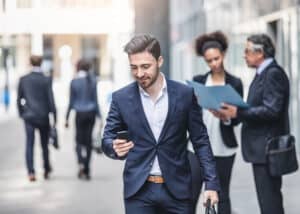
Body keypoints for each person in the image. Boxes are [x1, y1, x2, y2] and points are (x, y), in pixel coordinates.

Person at [102, 34, 220, 214]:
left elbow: (201, 141)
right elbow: (107, 138)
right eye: (134, 67)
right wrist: (113, 147)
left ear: (160, 61)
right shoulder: (121, 98)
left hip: (177, 191)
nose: (139, 74)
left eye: (145, 66)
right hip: (138, 192)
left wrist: (211, 184)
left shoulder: (185, 94)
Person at [218, 34, 290, 214]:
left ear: (260, 53)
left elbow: (272, 110)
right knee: (267, 200)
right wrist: (232, 113)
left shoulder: (273, 74)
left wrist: (239, 112)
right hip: (261, 149)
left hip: (267, 149)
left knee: (270, 201)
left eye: (247, 50)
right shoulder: (263, 73)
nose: (244, 55)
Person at [192, 31, 243, 214]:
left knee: (222, 196)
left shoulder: (235, 83)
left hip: (224, 147)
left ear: (223, 55)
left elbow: (238, 118)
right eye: (209, 60)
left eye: (216, 58)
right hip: (197, 147)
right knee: (190, 194)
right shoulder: (198, 81)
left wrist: (227, 117)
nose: (214, 63)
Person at [17, 55, 56, 182]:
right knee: (44, 145)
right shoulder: (46, 79)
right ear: (41, 63)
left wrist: (22, 113)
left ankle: (31, 172)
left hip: (29, 117)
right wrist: (54, 116)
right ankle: (46, 170)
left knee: (29, 144)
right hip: (44, 117)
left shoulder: (24, 79)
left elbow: (19, 99)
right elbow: (51, 99)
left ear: (30, 63)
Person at [65, 59, 101, 180]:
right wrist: (100, 116)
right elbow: (96, 101)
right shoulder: (93, 81)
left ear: (78, 68)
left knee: (79, 141)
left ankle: (80, 162)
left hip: (79, 114)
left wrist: (66, 117)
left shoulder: (74, 82)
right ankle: (87, 167)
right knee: (88, 141)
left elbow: (71, 101)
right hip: (91, 114)